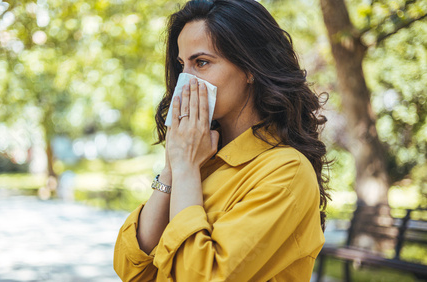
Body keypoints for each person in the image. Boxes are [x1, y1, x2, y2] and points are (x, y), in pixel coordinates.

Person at [113, 0, 331, 281]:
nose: (185, 82)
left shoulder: (286, 172)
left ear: (251, 68)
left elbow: (198, 277)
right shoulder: (202, 156)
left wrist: (186, 170)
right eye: (182, 65)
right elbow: (132, 268)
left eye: (201, 63)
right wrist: (174, 166)